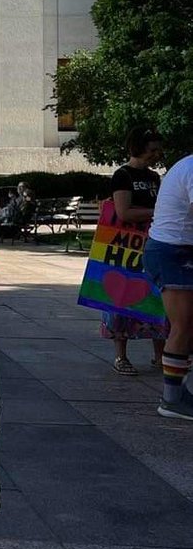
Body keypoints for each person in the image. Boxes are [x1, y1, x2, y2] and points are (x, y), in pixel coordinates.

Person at [100, 129, 167, 375]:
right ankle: (121, 356)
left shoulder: (154, 178)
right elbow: (124, 211)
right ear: (138, 149)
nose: (157, 155)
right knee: (122, 297)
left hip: (151, 243)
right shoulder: (122, 175)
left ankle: (160, 355)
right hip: (125, 246)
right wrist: (159, 212)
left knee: (156, 297)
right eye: (152, 150)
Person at [143, 150, 193, 420]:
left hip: (180, 250)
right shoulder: (192, 168)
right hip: (173, 252)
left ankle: (179, 392)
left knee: (187, 324)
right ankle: (172, 399)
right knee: (183, 323)